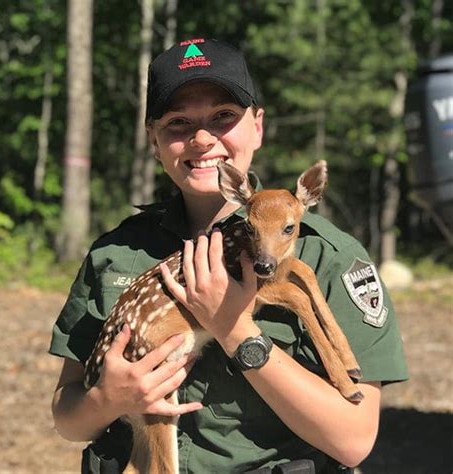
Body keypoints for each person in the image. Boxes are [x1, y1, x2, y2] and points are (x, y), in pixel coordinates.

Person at [50, 38, 408, 474]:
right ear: (153, 140)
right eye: (178, 123)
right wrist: (107, 399)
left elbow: (353, 441)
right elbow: (67, 416)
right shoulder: (116, 253)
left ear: (257, 125)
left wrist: (235, 329)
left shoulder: (328, 256)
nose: (202, 139)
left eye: (223, 117)